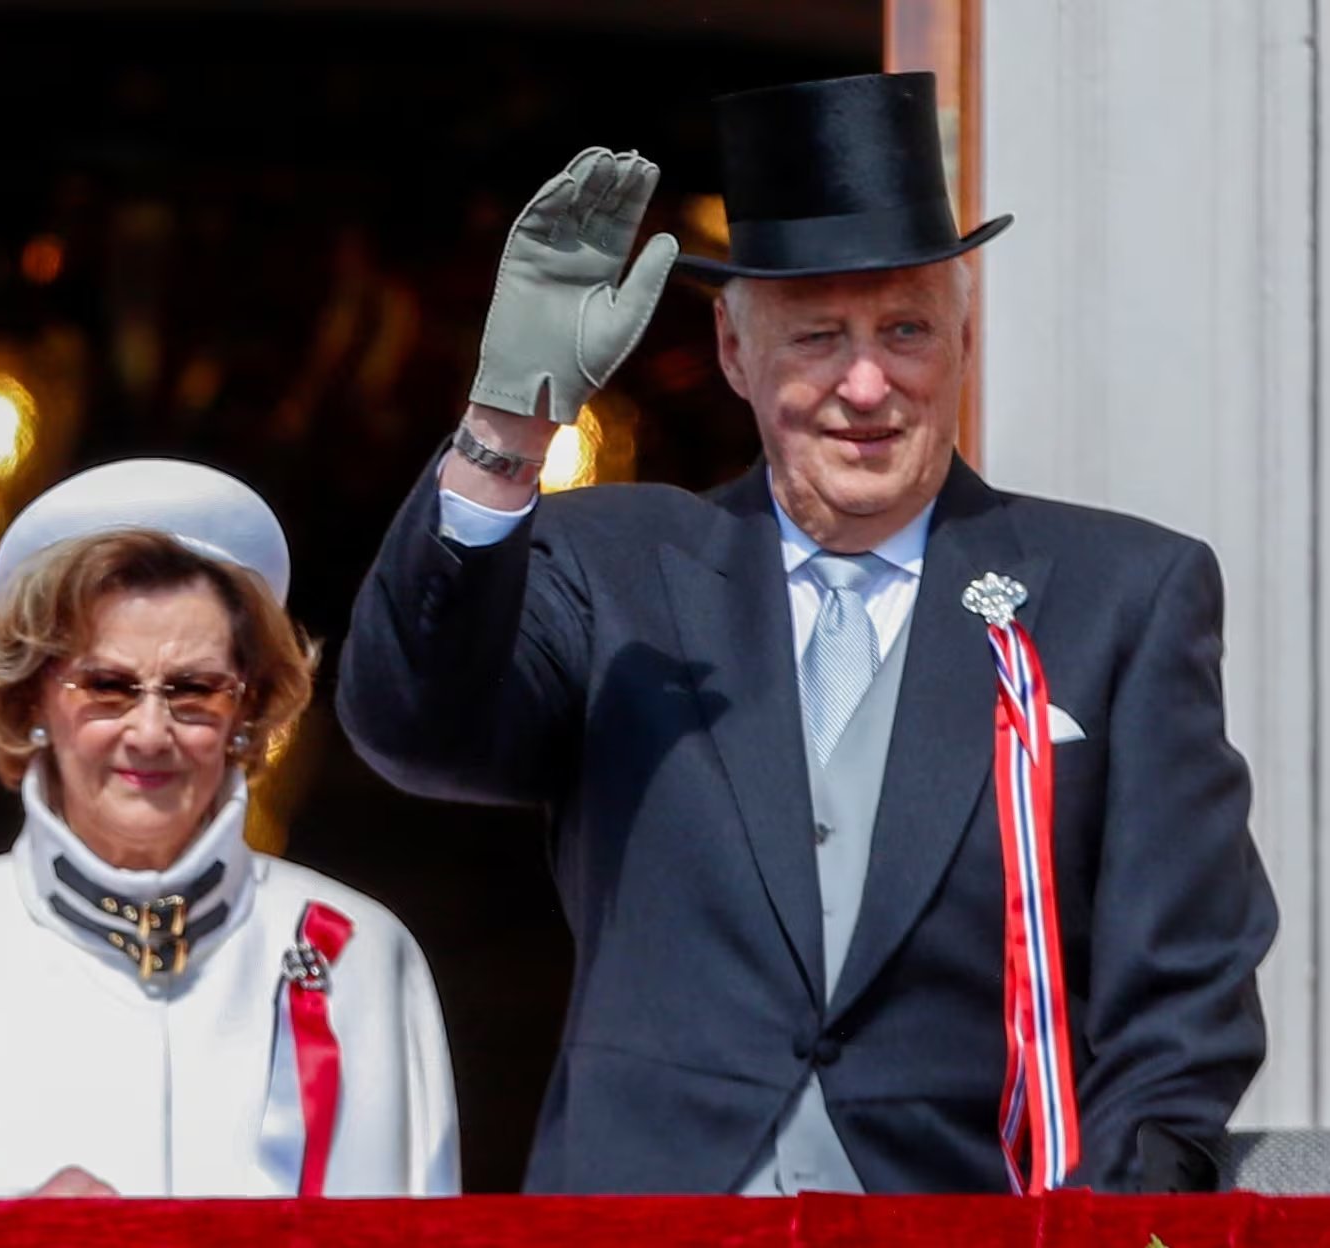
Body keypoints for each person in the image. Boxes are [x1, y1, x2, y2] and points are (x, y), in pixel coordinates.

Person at [337, 72, 1276, 1194]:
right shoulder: (612, 566)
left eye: (905, 329)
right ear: (734, 354)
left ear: (963, 340)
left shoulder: (1122, 592)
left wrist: (1104, 1228)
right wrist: (503, 425)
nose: (866, 383)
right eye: (818, 336)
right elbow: (413, 728)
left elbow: (1182, 999)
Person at [0, 458, 458, 1197]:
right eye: (107, 687)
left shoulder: (360, 951)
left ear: (246, 712)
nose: (150, 733)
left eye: (194, 691)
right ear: (31, 700)